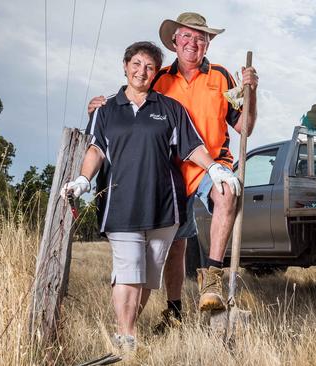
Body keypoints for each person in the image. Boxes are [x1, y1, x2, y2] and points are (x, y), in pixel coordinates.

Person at [87, 12, 258, 331]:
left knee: (227, 194)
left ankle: (212, 278)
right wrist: (102, 106)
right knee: (177, 244)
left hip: (212, 165)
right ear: (175, 42)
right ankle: (175, 310)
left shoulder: (222, 77)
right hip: (171, 170)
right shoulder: (160, 77)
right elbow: (131, 99)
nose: (193, 42)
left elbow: (244, 126)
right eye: (187, 36)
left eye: (201, 37)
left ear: (207, 44)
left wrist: (252, 93)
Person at [66, 41, 240, 353]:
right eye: (136, 64)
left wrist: (215, 168)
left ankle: (128, 333)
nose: (141, 71)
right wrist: (83, 178)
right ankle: (126, 338)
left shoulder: (170, 109)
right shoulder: (105, 111)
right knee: (129, 268)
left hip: (164, 206)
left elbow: (191, 146)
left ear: (155, 72)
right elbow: (95, 149)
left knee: (147, 275)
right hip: (122, 204)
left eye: (149, 67)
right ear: (125, 65)